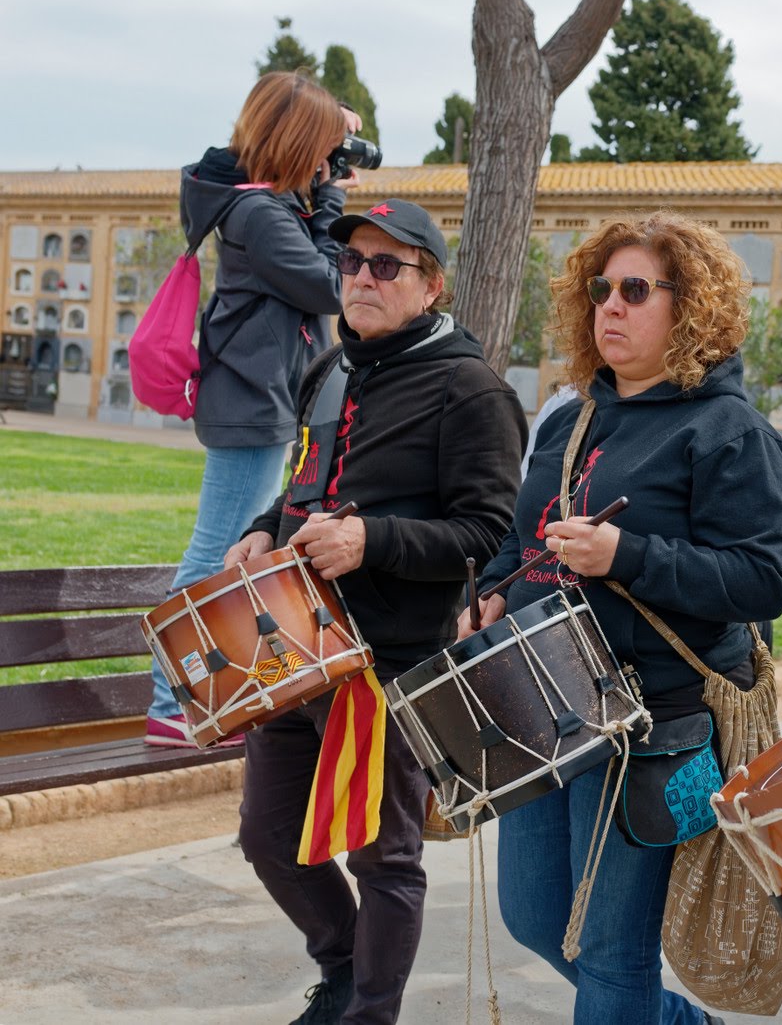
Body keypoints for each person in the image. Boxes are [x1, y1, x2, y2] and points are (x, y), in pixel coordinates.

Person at [471, 210, 782, 1025]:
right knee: (536, 918)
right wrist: (499, 589)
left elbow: (764, 579)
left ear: (689, 306)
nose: (610, 305)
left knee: (612, 953)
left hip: (648, 725)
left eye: (635, 289)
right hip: (543, 708)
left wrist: (628, 555)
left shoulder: (729, 431)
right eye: (600, 289)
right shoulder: (569, 418)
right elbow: (521, 539)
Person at [228, 198, 526, 1024]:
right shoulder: (331, 367)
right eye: (353, 261)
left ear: (431, 286)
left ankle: (369, 1013)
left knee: (384, 856)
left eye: (387, 265)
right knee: (267, 833)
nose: (363, 277)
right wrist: (261, 532)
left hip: (384, 663)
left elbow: (487, 534)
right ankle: (345, 969)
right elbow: (302, 485)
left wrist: (372, 541)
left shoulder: (473, 390)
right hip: (293, 648)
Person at [145, 71, 361, 747]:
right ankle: (169, 701)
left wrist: (319, 192)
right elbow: (332, 284)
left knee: (231, 543)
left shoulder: (259, 206)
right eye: (321, 146)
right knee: (215, 547)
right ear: (298, 142)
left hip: (256, 392)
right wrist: (328, 201)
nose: (327, 163)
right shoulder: (260, 214)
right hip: (251, 398)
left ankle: (199, 694)